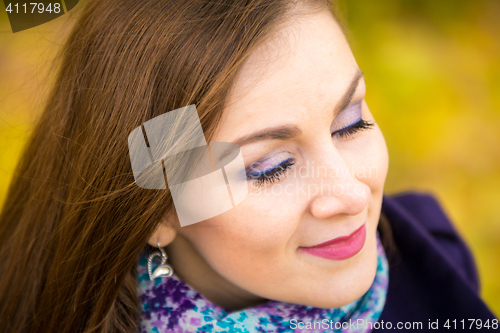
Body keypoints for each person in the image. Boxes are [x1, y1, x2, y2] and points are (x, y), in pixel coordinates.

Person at [0, 0, 496, 332]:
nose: (349, 194)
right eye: (270, 167)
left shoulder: (435, 252)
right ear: (157, 209)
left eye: (350, 123)